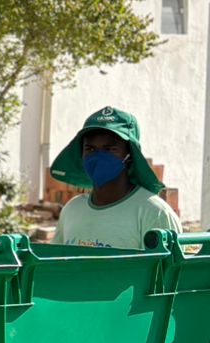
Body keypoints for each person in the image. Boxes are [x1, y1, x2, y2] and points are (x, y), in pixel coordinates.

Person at [50, 106, 181, 248]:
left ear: (130, 156)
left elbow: (169, 269)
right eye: (90, 149)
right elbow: (55, 265)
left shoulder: (155, 213)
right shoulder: (72, 209)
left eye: (109, 149)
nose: (98, 157)